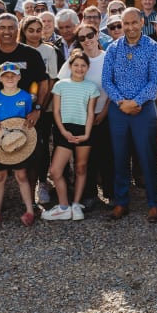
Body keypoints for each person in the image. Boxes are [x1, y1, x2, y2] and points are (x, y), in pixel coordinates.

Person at [0, 13, 49, 217]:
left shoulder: (31, 54)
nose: (7, 31)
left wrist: (37, 109)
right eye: (3, 27)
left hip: (26, 117)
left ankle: (31, 203)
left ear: (18, 30)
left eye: (11, 27)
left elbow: (43, 84)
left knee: (30, 160)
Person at [103, 7, 157, 222]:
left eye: (133, 22)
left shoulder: (152, 47)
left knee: (147, 156)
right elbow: (107, 80)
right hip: (118, 109)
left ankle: (155, 203)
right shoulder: (113, 48)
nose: (129, 27)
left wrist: (136, 102)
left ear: (141, 23)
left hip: (143, 108)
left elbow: (155, 80)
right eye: (125, 23)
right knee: (119, 156)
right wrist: (121, 102)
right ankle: (121, 202)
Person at [43, 50, 99, 221]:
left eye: (83, 65)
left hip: (83, 130)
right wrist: (63, 131)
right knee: (55, 171)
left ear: (88, 68)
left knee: (81, 168)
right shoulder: (60, 85)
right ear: (70, 66)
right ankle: (63, 206)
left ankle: (76, 204)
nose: (79, 68)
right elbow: (56, 111)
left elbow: (91, 113)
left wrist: (87, 134)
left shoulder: (92, 87)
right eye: (76, 65)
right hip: (65, 130)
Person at [0, 62, 39, 227]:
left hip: (19, 142)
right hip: (1, 143)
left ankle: (29, 210)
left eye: (13, 76)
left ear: (19, 77)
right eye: (5, 76)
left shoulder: (25, 97)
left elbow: (27, 118)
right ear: (0, 79)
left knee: (21, 175)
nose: (9, 78)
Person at [67, 23, 112, 209]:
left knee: (108, 156)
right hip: (82, 117)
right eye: (82, 38)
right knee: (85, 158)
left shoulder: (108, 57)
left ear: (97, 35)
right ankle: (89, 195)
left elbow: (113, 87)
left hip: (105, 114)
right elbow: (65, 84)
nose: (87, 40)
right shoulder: (77, 60)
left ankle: (111, 194)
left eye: (90, 35)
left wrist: (104, 112)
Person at [21, 15, 59, 205]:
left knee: (42, 146)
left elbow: (52, 79)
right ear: (23, 31)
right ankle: (24, 186)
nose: (35, 34)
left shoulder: (49, 50)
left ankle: (42, 182)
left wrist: (41, 107)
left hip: (45, 106)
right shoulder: (18, 49)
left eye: (38, 30)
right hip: (21, 106)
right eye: (31, 30)